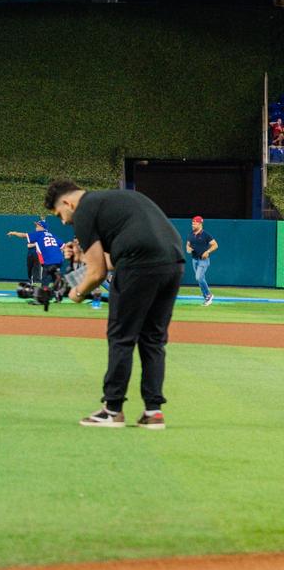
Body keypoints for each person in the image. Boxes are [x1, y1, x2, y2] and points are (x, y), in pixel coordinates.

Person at [45, 179, 183, 430]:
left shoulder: (84, 210)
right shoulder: (115, 200)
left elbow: (97, 274)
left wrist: (76, 292)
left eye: (59, 215)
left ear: (68, 203)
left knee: (121, 336)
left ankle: (112, 409)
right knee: (152, 338)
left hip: (139, 265)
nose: (64, 221)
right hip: (173, 263)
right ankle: (153, 413)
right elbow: (115, 258)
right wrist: (81, 257)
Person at [186, 216, 218, 306]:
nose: (193, 225)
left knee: (198, 277)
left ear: (200, 224)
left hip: (203, 260)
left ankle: (209, 295)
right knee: (200, 279)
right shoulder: (191, 234)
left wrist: (207, 251)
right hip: (194, 260)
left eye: (195, 223)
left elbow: (215, 245)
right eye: (192, 223)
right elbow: (188, 245)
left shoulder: (206, 235)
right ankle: (207, 298)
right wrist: (188, 249)